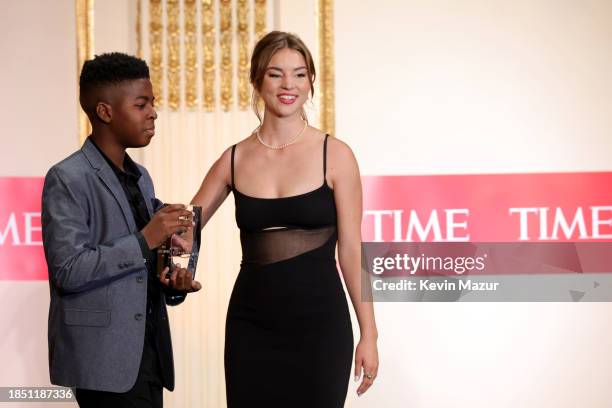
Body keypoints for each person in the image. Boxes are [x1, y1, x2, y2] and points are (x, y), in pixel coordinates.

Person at [191, 31, 379, 407]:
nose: (288, 84)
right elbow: (185, 228)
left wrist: (369, 333)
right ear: (257, 80)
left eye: (299, 73)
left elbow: (352, 251)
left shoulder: (336, 155)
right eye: (276, 74)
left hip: (320, 326)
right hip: (251, 326)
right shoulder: (234, 158)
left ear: (311, 80)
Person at [41, 52, 201, 408]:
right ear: (105, 112)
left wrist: (174, 282)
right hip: (102, 362)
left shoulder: (141, 178)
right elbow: (68, 270)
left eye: (152, 103)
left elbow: (143, 270)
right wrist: (146, 238)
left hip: (149, 356)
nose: (153, 113)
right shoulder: (67, 178)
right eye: (141, 104)